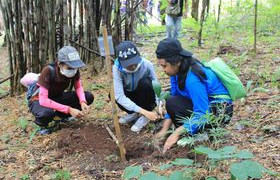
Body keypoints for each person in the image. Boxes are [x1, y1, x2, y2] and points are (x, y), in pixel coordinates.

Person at [154, 38, 233, 153]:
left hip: (219, 111)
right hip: (205, 107)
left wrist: (176, 133)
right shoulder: (175, 73)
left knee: (173, 103)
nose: (163, 70)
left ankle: (202, 135)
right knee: (172, 101)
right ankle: (191, 132)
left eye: (165, 66)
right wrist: (164, 130)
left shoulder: (192, 79)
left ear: (177, 62)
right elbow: (174, 100)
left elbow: (202, 113)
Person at [28, 46, 94, 135]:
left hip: (58, 96)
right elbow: (43, 100)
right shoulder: (48, 71)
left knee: (88, 96)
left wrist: (82, 102)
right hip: (38, 100)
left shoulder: (75, 70)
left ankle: (63, 117)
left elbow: (78, 87)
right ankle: (42, 125)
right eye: (69, 68)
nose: (73, 70)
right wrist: (69, 109)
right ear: (59, 64)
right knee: (46, 113)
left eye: (74, 68)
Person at [113, 41, 159, 133]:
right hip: (130, 96)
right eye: (128, 64)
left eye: (134, 62)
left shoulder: (147, 65)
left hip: (144, 95)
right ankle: (134, 113)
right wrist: (142, 111)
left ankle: (145, 117)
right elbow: (120, 96)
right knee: (113, 94)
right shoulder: (117, 69)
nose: (133, 66)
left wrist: (160, 105)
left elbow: (157, 88)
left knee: (145, 83)